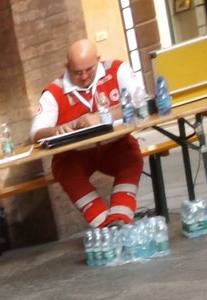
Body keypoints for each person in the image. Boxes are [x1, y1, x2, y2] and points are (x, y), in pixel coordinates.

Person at [30, 38, 149, 228]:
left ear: (98, 60)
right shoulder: (55, 90)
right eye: (77, 72)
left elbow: (140, 103)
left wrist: (104, 115)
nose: (84, 76)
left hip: (115, 146)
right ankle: (106, 227)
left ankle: (120, 218)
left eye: (89, 69)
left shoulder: (117, 70)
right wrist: (56, 130)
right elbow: (36, 133)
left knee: (132, 157)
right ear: (67, 67)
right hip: (75, 155)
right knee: (65, 171)